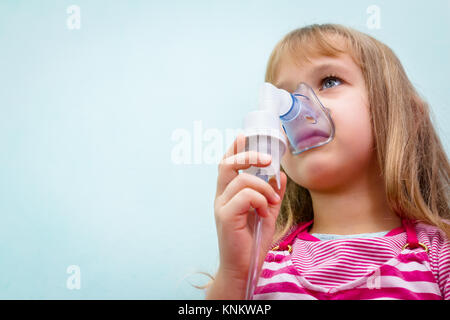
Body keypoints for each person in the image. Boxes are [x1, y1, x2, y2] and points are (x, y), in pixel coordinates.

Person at [206, 24, 450, 300]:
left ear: (407, 116)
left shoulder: (441, 255)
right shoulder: (258, 267)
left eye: (330, 81)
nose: (296, 111)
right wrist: (236, 274)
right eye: (284, 98)